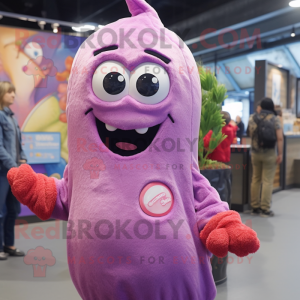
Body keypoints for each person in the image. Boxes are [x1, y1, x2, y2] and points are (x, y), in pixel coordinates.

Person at [0, 81, 26, 260]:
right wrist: (13, 166)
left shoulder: (11, 117)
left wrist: (22, 159)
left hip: (13, 171)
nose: (13, 95)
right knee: (0, 211)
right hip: (3, 172)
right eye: (9, 92)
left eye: (14, 92)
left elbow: (18, 144)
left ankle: (9, 245)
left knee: (13, 209)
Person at [248, 97, 283, 217]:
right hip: (269, 153)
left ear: (261, 106)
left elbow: (251, 135)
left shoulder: (252, 118)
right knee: (267, 181)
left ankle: (254, 207)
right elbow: (279, 138)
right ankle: (265, 209)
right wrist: (280, 153)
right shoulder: (275, 119)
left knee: (255, 179)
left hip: (255, 153)